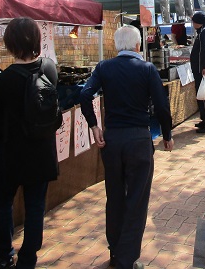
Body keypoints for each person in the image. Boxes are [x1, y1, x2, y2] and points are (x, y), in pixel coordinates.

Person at [79, 25, 174, 269]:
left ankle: (116, 251)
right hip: (139, 140)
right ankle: (126, 259)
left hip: (112, 141)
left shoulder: (104, 67)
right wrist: (167, 134)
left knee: (115, 198)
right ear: (138, 46)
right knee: (137, 200)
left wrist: (94, 126)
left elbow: (85, 94)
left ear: (116, 45)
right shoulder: (147, 69)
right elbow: (162, 106)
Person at [0, 18, 59, 269]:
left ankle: (3, 255)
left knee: (3, 204)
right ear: (36, 40)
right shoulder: (49, 69)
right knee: (35, 208)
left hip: (11, 154)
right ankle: (28, 259)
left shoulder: (5, 80)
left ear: (10, 43)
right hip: (42, 151)